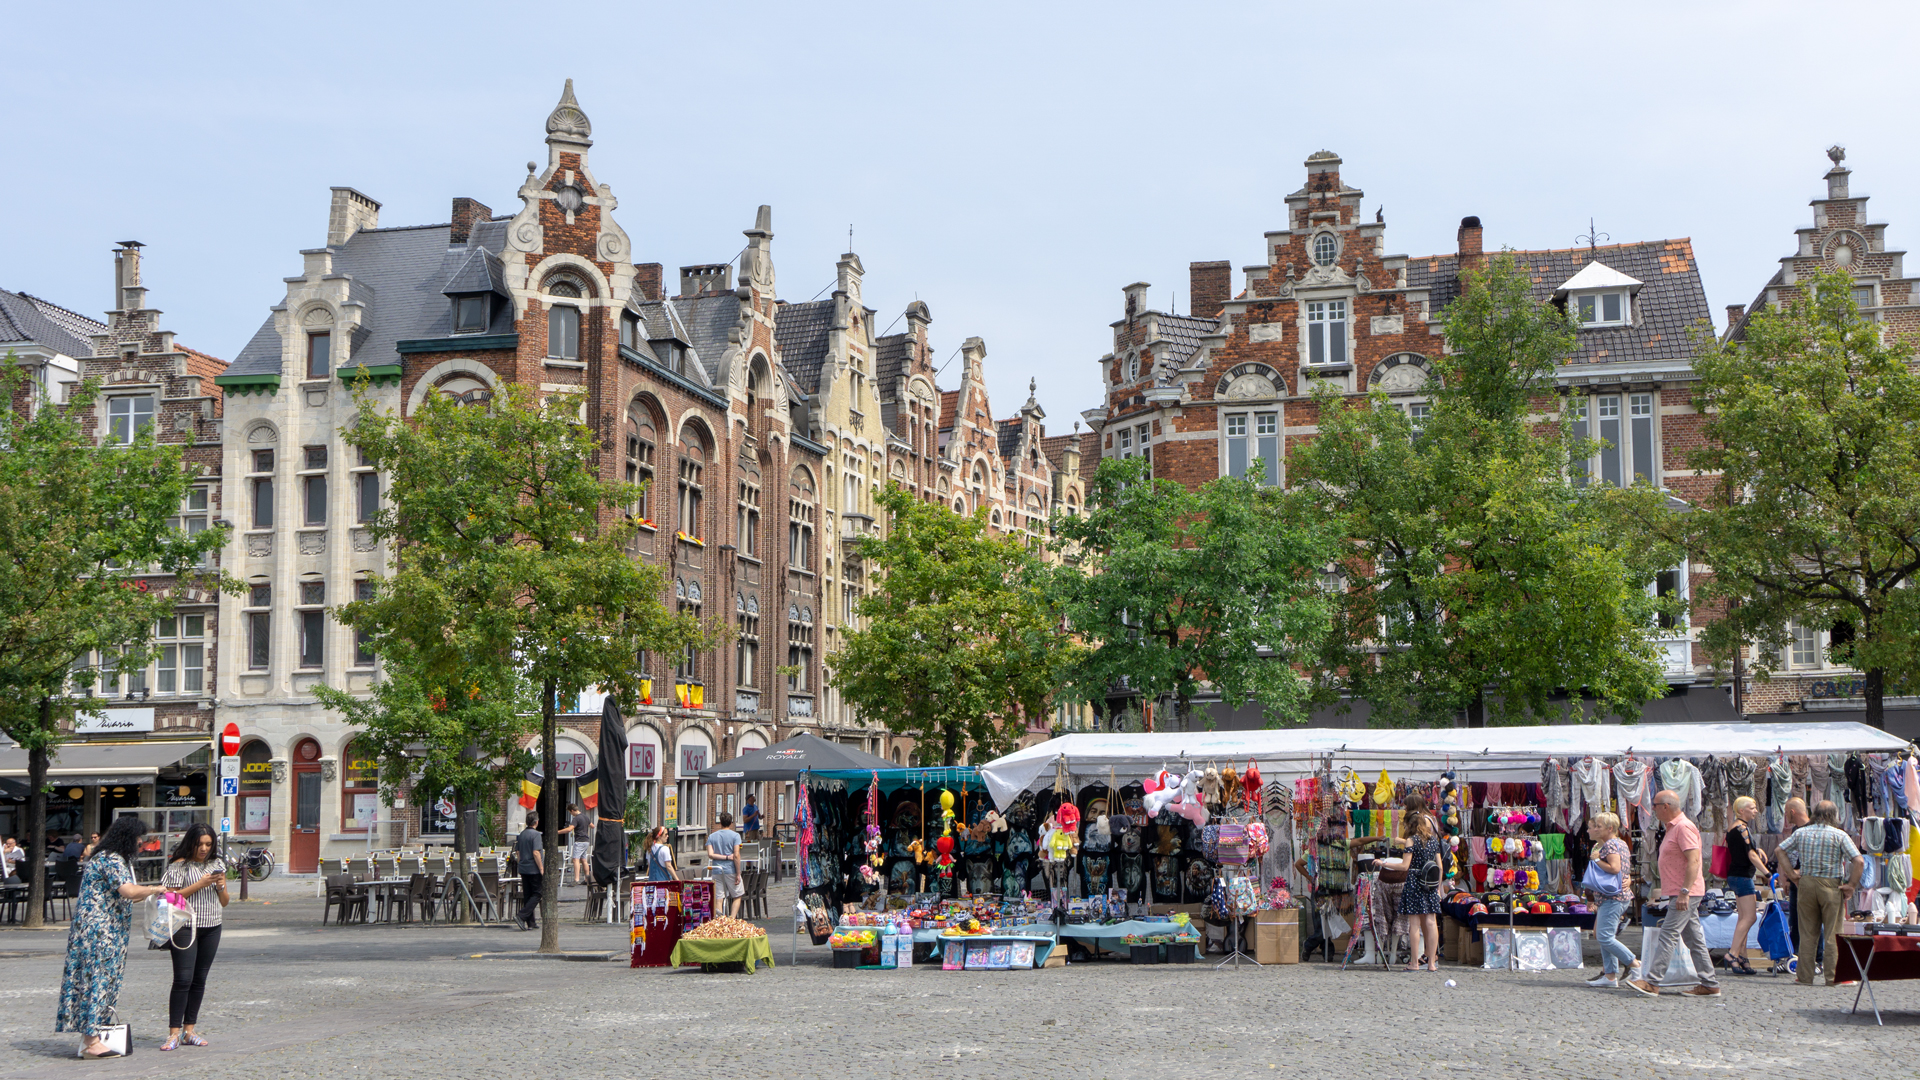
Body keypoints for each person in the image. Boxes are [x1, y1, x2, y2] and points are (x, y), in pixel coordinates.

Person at [55, 815, 169, 1058]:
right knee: (99, 980)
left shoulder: (105, 858)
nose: (140, 843)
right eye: (138, 837)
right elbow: (128, 891)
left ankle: (91, 1037)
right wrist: (155, 888)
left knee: (95, 981)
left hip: (100, 930)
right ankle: (91, 1041)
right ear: (128, 838)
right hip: (101, 931)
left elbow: (126, 895)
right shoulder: (112, 859)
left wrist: (150, 894)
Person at [1625, 790, 1722, 998]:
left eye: (1655, 805)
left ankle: (1652, 981)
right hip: (1682, 891)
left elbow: (1694, 861)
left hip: (1686, 892)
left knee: (1668, 934)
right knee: (1694, 939)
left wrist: (1684, 892)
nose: (1653, 809)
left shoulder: (1683, 827)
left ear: (1665, 807)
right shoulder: (1673, 828)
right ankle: (1709, 983)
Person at [1777, 799, 1864, 987]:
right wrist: (1851, 885)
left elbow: (1779, 850)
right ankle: (1833, 977)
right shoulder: (1839, 835)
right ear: (1834, 815)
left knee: (1807, 932)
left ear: (1815, 813)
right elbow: (1858, 861)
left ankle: (1804, 977)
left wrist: (1792, 875)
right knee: (1833, 932)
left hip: (1806, 884)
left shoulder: (1801, 833)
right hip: (1831, 885)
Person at [158, 823, 228, 1051]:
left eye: (208, 844)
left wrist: (220, 886)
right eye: (200, 844)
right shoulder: (179, 866)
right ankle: (173, 1033)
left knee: (200, 979)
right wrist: (199, 884)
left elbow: (225, 901)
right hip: (185, 926)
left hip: (212, 926)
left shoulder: (217, 864)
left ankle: (190, 1030)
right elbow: (170, 897)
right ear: (191, 843)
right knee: (182, 979)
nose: (204, 849)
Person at [1378, 794, 1442, 971]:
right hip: (1430, 882)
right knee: (1431, 921)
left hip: (1414, 881)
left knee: (1414, 924)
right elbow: (1440, 865)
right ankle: (1431, 963)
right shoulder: (1433, 841)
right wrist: (1438, 887)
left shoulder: (1411, 840)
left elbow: (1404, 866)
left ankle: (1415, 963)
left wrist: (1383, 863)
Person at [1583, 812, 1640, 988]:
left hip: (1612, 897)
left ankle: (1635, 965)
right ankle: (1609, 976)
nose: (1596, 828)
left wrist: (1597, 860)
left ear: (1610, 828)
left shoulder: (1610, 845)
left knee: (1604, 936)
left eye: (1599, 826)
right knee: (1604, 935)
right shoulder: (1620, 843)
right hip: (1613, 896)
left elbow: (1614, 868)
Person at [1724, 796, 1767, 976]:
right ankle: (1732, 954)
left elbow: (1744, 850)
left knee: (1744, 917)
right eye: (1752, 807)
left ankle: (1742, 955)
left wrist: (1756, 850)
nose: (1755, 810)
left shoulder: (1734, 827)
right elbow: (1750, 855)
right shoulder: (1742, 828)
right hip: (1742, 876)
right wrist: (1768, 873)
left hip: (1735, 875)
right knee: (1750, 918)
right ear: (1742, 811)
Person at [1776, 797, 1811, 970]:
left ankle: (1811, 959)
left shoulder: (1811, 830)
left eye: (1786, 813)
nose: (1785, 818)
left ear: (1792, 812)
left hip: (1807, 881)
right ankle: (1795, 957)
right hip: (1796, 881)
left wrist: (1794, 875)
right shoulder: (1798, 829)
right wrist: (1789, 878)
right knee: (1795, 921)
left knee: (1807, 920)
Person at [707, 812, 744, 919]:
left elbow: (710, 854)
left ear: (720, 822)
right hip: (730, 869)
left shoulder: (712, 836)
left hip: (717, 870)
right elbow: (736, 855)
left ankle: (720, 921)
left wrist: (723, 857)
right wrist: (738, 873)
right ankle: (732, 919)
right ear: (731, 822)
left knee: (719, 897)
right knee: (737, 895)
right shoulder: (735, 836)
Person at [514, 815, 544, 932]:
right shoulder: (536, 835)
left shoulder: (522, 834)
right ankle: (521, 915)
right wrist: (541, 868)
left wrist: (521, 862)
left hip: (523, 868)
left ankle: (531, 922)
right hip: (533, 868)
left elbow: (518, 852)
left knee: (528, 894)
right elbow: (536, 852)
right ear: (536, 822)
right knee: (537, 893)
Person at [568, 803, 593, 885]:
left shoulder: (576, 819)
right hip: (586, 841)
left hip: (579, 841)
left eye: (570, 813)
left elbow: (570, 829)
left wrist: (557, 832)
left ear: (572, 811)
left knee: (575, 859)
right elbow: (592, 826)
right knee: (584, 860)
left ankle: (576, 879)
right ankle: (587, 879)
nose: (571, 814)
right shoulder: (585, 817)